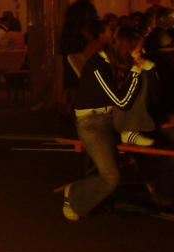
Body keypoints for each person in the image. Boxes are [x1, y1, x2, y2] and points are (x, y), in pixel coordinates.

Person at [62, 27, 152, 220]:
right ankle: (74, 194)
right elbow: (122, 102)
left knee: (157, 135)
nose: (143, 53)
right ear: (125, 50)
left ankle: (130, 131)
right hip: (92, 123)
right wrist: (137, 70)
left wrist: (145, 69)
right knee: (111, 178)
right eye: (139, 50)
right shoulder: (98, 67)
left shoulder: (116, 61)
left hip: (112, 117)